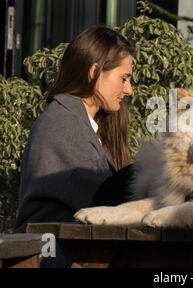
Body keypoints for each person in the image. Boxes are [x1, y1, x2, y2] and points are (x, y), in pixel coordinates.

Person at [14, 26, 135, 236]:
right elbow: (104, 202)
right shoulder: (62, 124)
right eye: (123, 78)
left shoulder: (83, 123)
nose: (129, 89)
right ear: (94, 71)